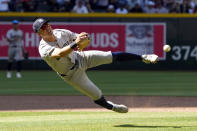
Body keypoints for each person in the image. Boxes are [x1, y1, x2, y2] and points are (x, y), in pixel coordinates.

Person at [32, 18, 158, 113]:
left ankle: (143, 57)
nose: (47, 28)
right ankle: (112, 107)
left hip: (80, 58)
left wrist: (85, 38)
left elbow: (81, 38)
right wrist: (76, 43)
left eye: (47, 24)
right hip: (71, 75)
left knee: (109, 56)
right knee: (96, 94)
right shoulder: (43, 48)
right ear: (39, 33)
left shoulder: (60, 32)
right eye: (43, 27)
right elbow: (60, 53)